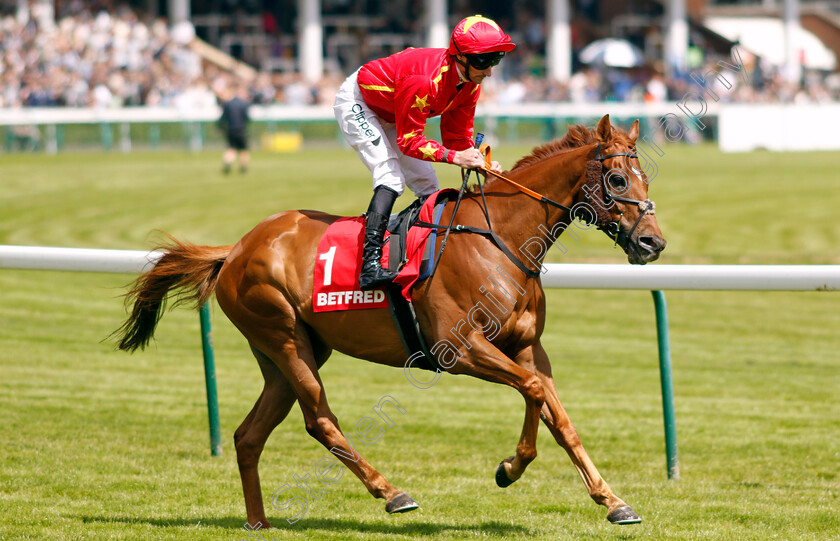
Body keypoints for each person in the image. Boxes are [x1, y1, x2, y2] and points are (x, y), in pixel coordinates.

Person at [333, 15, 513, 291]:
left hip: (393, 113)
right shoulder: (425, 80)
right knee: (391, 177)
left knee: (429, 185)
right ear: (460, 57)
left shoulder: (469, 85)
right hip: (360, 103)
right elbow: (409, 141)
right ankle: (369, 265)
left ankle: (412, 250)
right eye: (483, 61)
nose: (488, 71)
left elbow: (457, 138)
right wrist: (456, 158)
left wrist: (479, 161)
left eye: (495, 60)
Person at [219, 84, 251, 174]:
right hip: (241, 129)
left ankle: (227, 163)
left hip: (230, 129)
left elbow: (223, 118)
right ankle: (243, 167)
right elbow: (247, 118)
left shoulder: (228, 104)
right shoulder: (244, 104)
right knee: (243, 150)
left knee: (231, 148)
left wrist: (220, 128)